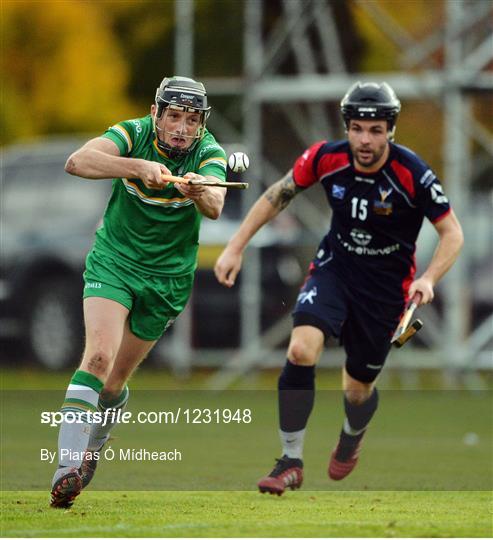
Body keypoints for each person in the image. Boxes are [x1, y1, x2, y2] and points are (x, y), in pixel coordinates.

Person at [214, 81, 464, 495]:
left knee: (358, 386)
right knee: (300, 349)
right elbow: (278, 194)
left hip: (386, 289)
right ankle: (290, 460)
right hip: (335, 268)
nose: (366, 140)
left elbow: (451, 233)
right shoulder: (325, 157)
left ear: (390, 130)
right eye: (358, 128)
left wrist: (429, 278)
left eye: (376, 130)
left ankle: (351, 436)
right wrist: (235, 246)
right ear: (347, 126)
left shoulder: (412, 173)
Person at [50, 76, 227, 508]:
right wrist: (137, 166)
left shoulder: (210, 153)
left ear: (201, 124)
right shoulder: (132, 133)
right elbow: (78, 161)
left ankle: (91, 453)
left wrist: (198, 189)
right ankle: (65, 469)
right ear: (156, 114)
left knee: (113, 384)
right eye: (173, 117)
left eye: (190, 120)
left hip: (167, 279)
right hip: (115, 261)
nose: (181, 128)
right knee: (97, 356)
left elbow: (217, 206)